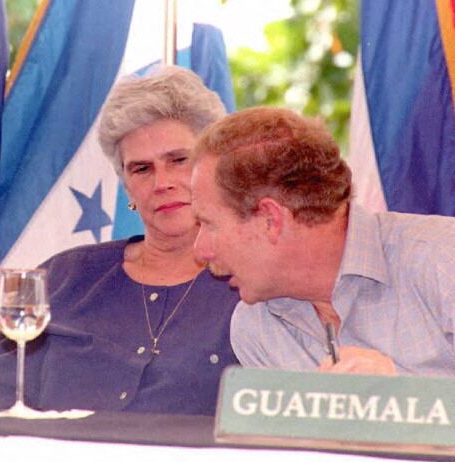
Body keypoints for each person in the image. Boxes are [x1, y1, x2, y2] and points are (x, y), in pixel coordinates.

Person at [0, 67, 240, 415]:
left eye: (179, 160)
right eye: (141, 169)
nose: (162, 182)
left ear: (216, 169)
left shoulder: (250, 287)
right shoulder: (63, 276)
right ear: (127, 186)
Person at [191, 106, 455, 376]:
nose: (201, 251)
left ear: (270, 219)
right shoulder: (256, 326)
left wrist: (413, 398)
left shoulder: (443, 259)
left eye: (209, 224)